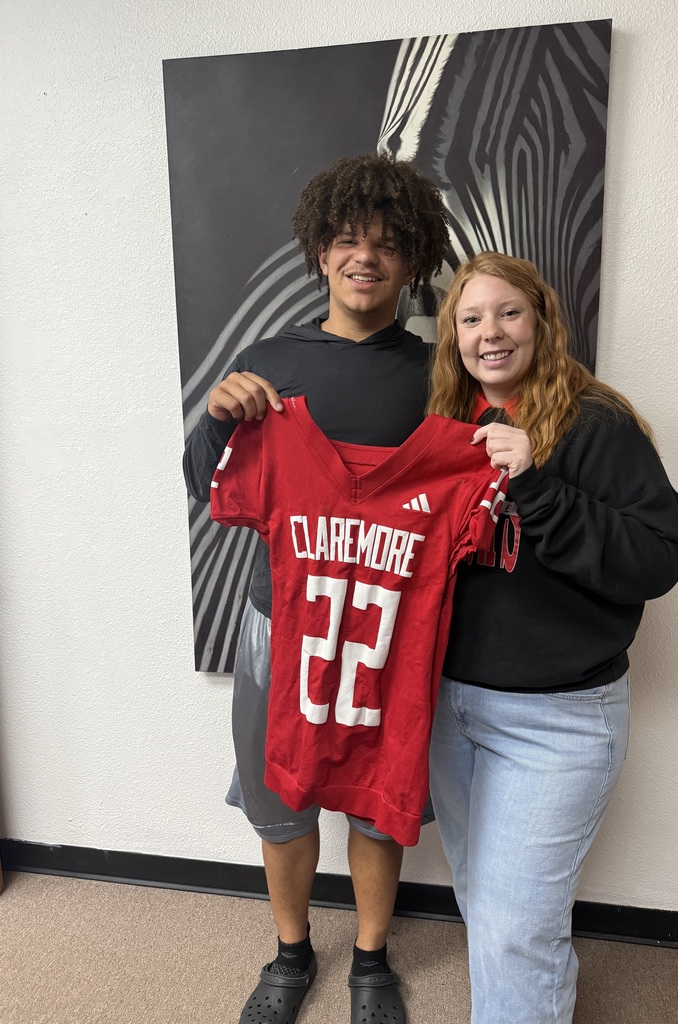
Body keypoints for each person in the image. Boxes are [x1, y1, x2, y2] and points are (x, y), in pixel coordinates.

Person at [183, 152, 449, 1024]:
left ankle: (371, 958)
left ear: (413, 258)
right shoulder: (267, 360)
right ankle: (292, 951)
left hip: (386, 625)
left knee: (376, 800)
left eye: (384, 242)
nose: (363, 256)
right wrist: (215, 420)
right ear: (320, 252)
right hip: (280, 622)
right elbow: (207, 483)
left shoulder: (439, 374)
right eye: (345, 239)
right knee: (278, 799)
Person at [426, 251, 678, 1024]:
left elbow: (660, 558)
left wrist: (537, 486)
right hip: (455, 709)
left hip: (560, 721)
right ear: (454, 337)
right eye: (471, 319)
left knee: (514, 929)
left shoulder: (596, 422)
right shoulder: (447, 422)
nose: (491, 333)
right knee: (488, 903)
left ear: (540, 320)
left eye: (509, 313)